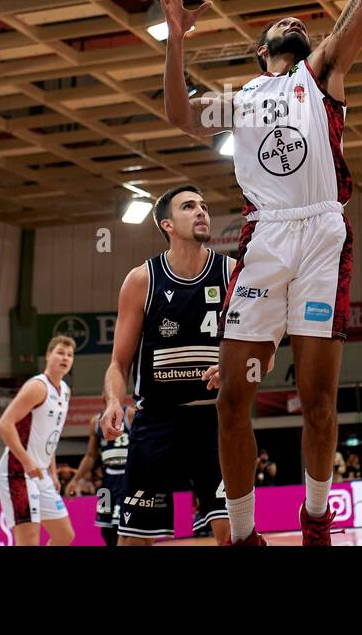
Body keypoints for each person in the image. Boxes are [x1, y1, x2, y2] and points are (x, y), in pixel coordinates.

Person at [160, 0, 362, 546]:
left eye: (302, 20)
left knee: (320, 403)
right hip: (264, 242)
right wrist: (175, 37)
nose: (297, 20)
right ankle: (243, 537)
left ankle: (316, 518)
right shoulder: (241, 100)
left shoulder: (320, 72)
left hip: (323, 234)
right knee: (232, 397)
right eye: (282, 26)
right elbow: (179, 114)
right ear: (261, 52)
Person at [102, 185, 232, 546]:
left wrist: (235, 367)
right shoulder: (142, 280)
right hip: (157, 421)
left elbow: (262, 350)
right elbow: (118, 362)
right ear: (167, 225)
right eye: (189, 207)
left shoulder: (232, 273)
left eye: (204, 206)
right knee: (133, 540)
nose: (201, 211)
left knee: (233, 534)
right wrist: (114, 401)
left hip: (215, 420)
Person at [0, 336, 76, 546]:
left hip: (41, 473)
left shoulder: (65, 391)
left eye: (69, 355)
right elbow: (4, 424)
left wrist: (52, 470)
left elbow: (51, 435)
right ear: (48, 356)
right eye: (60, 353)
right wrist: (27, 461)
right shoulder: (38, 387)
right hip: (17, 471)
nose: (65, 358)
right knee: (29, 541)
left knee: (64, 535)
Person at [68, 406, 135, 547]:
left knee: (122, 528)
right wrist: (75, 480)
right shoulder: (96, 421)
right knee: (105, 528)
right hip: (108, 482)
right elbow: (91, 455)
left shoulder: (130, 414)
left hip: (127, 479)